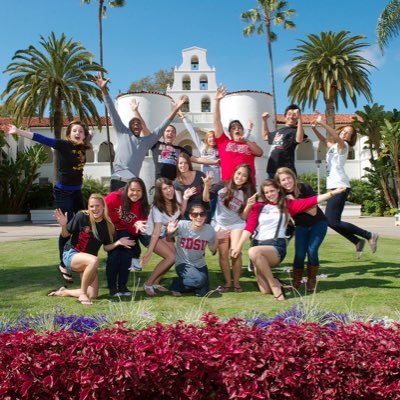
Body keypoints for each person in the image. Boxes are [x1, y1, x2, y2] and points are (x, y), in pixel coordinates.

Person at [3, 121, 91, 284]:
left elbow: (88, 135)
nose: (77, 133)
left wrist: (88, 132)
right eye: (74, 131)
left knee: (83, 224)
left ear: (84, 135)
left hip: (77, 192)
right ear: (69, 134)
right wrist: (18, 131)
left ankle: (75, 257)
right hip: (63, 192)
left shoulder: (83, 148)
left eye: (80, 131)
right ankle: (63, 263)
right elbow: (40, 138)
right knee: (68, 226)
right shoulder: (63, 145)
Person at [231, 179, 346, 301]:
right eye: (266, 192)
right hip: (258, 247)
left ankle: (275, 285)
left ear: (278, 190)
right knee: (265, 291)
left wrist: (333, 193)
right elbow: (249, 227)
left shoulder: (287, 204)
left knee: (254, 251)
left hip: (275, 247)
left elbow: (312, 201)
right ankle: (275, 281)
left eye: (272, 191)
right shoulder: (258, 207)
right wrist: (238, 246)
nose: (270, 194)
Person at [95, 73, 188, 191]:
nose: (136, 125)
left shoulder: (147, 141)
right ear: (129, 126)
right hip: (117, 180)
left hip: (132, 184)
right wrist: (103, 90)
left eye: (139, 123)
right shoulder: (122, 132)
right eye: (133, 123)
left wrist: (176, 108)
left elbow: (163, 126)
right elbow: (112, 111)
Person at [312, 112, 379, 258]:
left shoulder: (344, 145)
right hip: (335, 186)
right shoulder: (335, 146)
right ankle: (357, 241)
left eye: (348, 133)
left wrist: (322, 122)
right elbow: (324, 141)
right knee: (331, 221)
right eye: (343, 131)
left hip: (340, 186)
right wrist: (314, 129)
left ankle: (368, 235)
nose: (344, 134)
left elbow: (334, 138)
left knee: (331, 221)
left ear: (350, 138)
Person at [48, 194, 135, 305]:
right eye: (91, 206)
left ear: (103, 206)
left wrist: (117, 243)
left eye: (97, 206)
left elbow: (106, 247)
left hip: (88, 261)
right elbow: (65, 235)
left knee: (93, 295)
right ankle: (83, 294)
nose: (94, 209)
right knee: (94, 260)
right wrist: (63, 225)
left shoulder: (108, 225)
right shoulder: (81, 216)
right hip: (71, 254)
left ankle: (64, 292)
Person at [203, 164, 256, 292]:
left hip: (237, 223)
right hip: (220, 224)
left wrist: (248, 205)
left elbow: (244, 216)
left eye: (244, 175)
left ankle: (236, 283)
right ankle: (227, 283)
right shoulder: (222, 185)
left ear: (247, 178)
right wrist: (207, 185)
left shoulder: (248, 192)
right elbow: (206, 198)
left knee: (235, 252)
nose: (240, 177)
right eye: (238, 173)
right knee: (223, 254)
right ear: (234, 173)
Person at [276, 167, 328, 291]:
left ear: (293, 177)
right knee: (299, 254)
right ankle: (296, 280)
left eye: (288, 178)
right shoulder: (281, 195)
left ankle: (311, 280)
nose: (287, 181)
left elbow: (313, 211)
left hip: (318, 223)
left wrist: (295, 202)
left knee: (312, 250)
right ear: (279, 183)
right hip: (301, 226)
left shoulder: (305, 187)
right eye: (283, 180)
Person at [105, 178, 149, 297]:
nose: (135, 193)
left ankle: (123, 286)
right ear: (126, 189)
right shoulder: (114, 197)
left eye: (139, 190)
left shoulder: (143, 206)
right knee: (114, 258)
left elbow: (135, 231)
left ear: (143, 192)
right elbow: (101, 212)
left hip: (127, 234)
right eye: (132, 190)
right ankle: (113, 288)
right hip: (111, 231)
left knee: (126, 259)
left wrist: (138, 225)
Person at [167, 204, 221, 297]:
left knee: (203, 293)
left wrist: (217, 238)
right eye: (195, 214)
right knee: (199, 280)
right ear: (190, 216)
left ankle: (188, 284)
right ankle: (175, 284)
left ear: (205, 216)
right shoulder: (182, 225)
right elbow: (169, 237)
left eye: (202, 214)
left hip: (200, 264)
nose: (199, 217)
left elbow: (212, 250)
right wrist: (169, 232)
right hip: (184, 263)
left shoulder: (209, 230)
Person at [213, 86, 263, 183]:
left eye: (239, 128)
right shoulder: (223, 141)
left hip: (248, 185)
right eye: (234, 128)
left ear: (243, 131)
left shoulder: (249, 143)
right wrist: (217, 101)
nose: (237, 129)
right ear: (230, 133)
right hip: (228, 184)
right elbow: (216, 121)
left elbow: (260, 153)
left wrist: (246, 141)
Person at [141, 177, 180, 296]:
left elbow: (181, 210)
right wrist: (149, 251)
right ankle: (148, 283)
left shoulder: (176, 198)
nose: (169, 190)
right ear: (160, 192)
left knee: (175, 257)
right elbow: (156, 231)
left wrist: (187, 197)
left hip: (163, 233)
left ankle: (156, 283)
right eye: (164, 189)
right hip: (149, 235)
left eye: (170, 186)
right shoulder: (157, 208)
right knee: (170, 257)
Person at [151, 123, 216, 182]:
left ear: (175, 136)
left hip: (174, 182)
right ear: (163, 134)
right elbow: (146, 132)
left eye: (173, 132)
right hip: (159, 182)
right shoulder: (156, 145)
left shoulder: (179, 149)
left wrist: (215, 162)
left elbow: (197, 159)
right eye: (168, 131)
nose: (170, 133)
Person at [262, 104, 307, 179]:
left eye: (294, 115)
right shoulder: (278, 131)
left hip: (286, 171)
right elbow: (265, 136)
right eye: (289, 114)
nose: (291, 117)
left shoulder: (295, 130)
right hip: (272, 170)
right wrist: (264, 120)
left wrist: (299, 119)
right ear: (285, 117)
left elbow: (299, 139)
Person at [179, 111, 221, 183]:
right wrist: (183, 118)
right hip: (205, 176)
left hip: (217, 177)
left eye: (214, 137)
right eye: (210, 137)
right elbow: (192, 132)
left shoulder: (219, 148)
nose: (212, 139)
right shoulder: (202, 146)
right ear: (207, 138)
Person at [173, 153, 208, 220]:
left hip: (202, 213)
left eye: (186, 163)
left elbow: (206, 199)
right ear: (177, 165)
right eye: (180, 163)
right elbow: (181, 211)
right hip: (188, 215)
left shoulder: (200, 175)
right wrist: (186, 197)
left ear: (189, 164)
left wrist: (207, 185)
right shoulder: (176, 183)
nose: (183, 165)